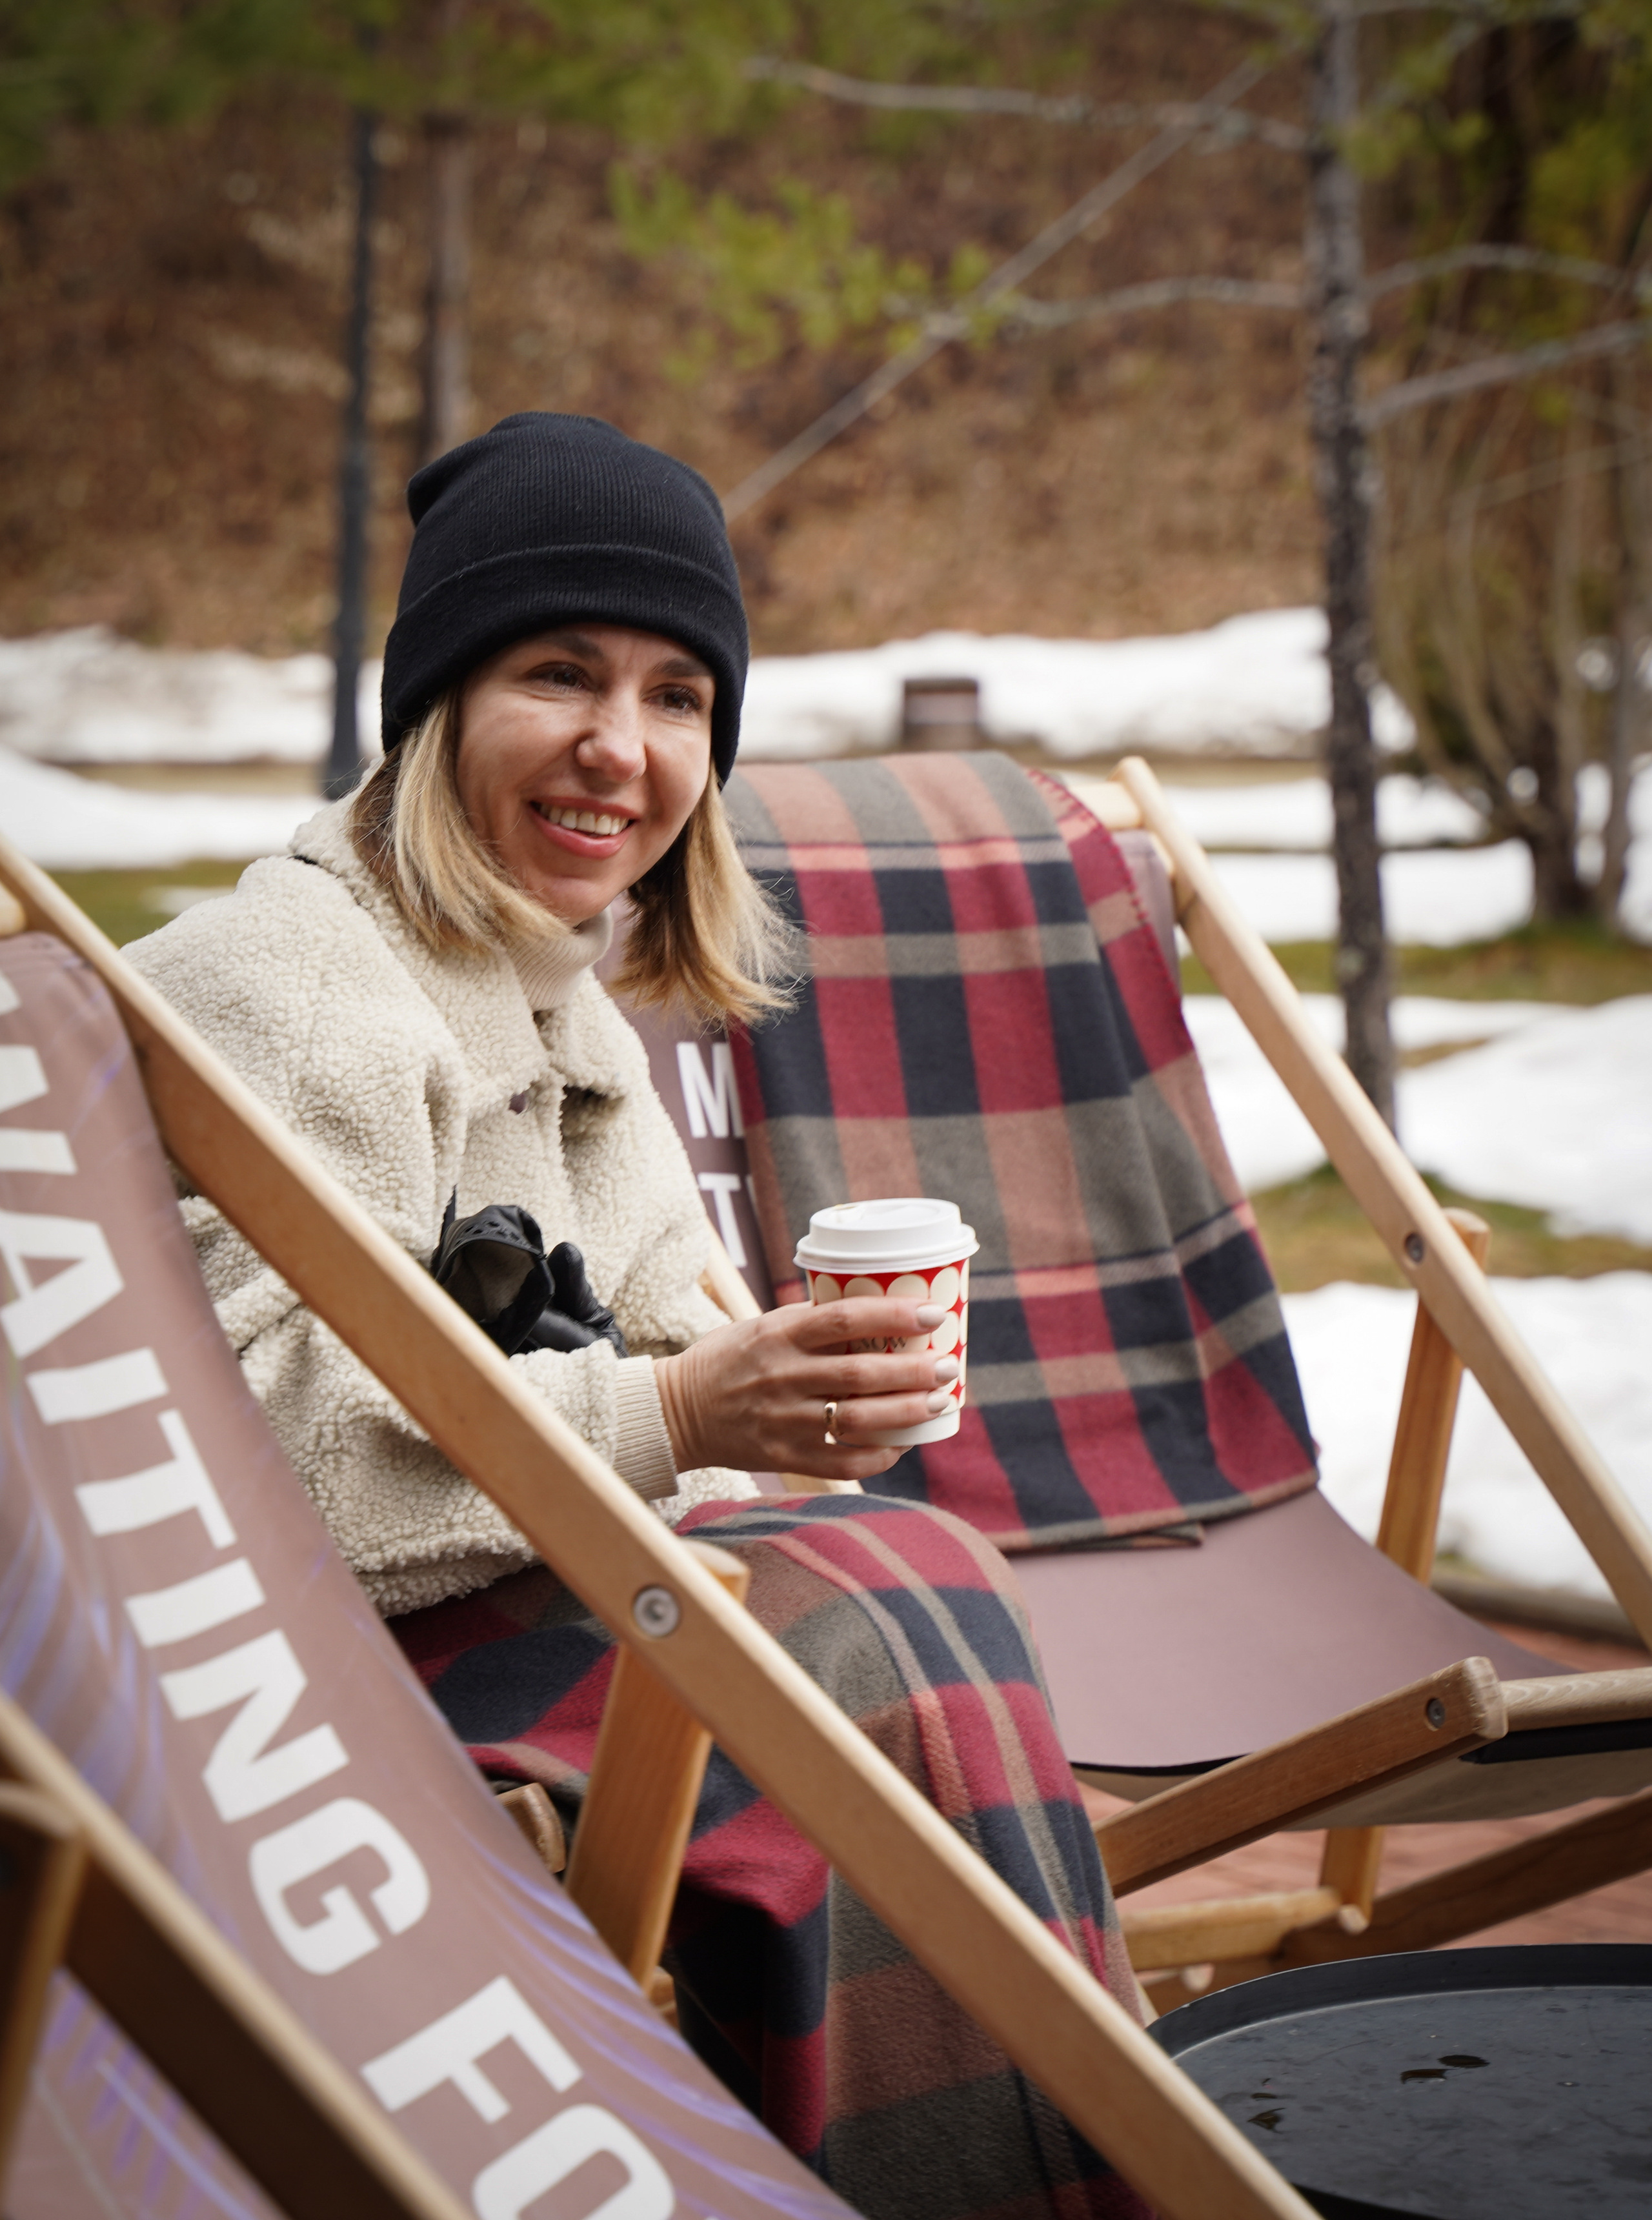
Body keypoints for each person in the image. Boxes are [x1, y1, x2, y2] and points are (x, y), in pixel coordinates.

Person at [130, 413, 1151, 2220]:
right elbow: (241, 1487)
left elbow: (671, 1346)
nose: (626, 747)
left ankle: (1030, 2154)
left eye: (681, 696)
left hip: (483, 1626)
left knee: (894, 1572)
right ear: (439, 702)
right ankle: (1072, 2167)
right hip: (281, 1716)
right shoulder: (301, 991)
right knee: (865, 1608)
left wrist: (782, 1401)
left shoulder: (558, 1013)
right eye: (559, 674)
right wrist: (686, 1421)